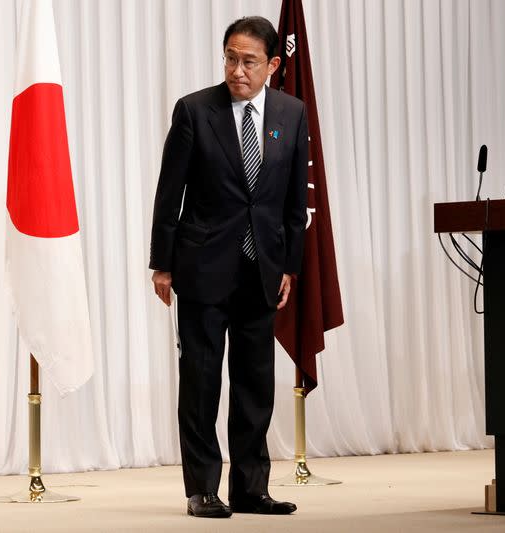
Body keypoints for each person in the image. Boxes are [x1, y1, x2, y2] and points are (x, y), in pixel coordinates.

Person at [148, 15, 308, 519]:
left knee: (255, 383)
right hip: (201, 267)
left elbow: (290, 203)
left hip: (261, 268)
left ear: (272, 65)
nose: (237, 70)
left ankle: (251, 488)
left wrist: (289, 266)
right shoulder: (196, 110)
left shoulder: (292, 112)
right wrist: (162, 265)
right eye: (230, 58)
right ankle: (202, 489)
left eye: (249, 61)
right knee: (201, 383)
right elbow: (169, 193)